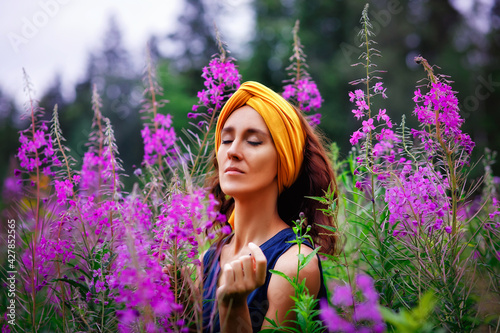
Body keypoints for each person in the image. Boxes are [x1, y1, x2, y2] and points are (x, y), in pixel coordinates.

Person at [202, 81, 337, 333]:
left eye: (253, 142)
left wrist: (234, 306)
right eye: (226, 139)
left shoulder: (294, 265)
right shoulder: (211, 258)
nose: (232, 151)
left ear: (284, 160)